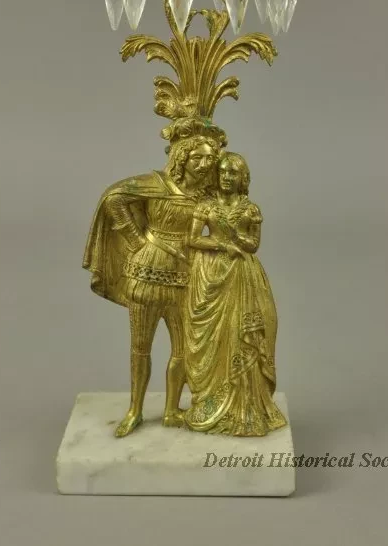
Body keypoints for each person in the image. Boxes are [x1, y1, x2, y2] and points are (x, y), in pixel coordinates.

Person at [83, 118, 224, 437]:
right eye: (197, 157)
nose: (203, 165)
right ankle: (135, 410)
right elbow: (114, 198)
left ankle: (172, 410)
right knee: (140, 347)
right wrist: (136, 241)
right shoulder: (156, 184)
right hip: (147, 272)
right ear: (182, 158)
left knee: (184, 349)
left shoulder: (207, 198)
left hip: (187, 275)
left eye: (209, 159)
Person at [184, 151, 287, 436]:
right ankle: (211, 400)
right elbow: (192, 238)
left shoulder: (250, 209)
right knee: (212, 336)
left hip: (242, 274)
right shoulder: (205, 205)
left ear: (243, 179)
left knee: (241, 332)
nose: (226, 177)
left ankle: (245, 407)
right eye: (223, 172)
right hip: (210, 274)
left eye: (233, 173)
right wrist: (222, 244)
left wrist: (239, 238)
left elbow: (253, 244)